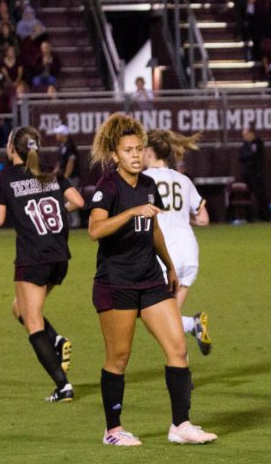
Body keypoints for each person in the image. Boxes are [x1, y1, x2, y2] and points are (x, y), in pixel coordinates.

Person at [87, 112, 217, 446]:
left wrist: (169, 265)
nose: (134, 154)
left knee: (177, 348)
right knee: (119, 357)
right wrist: (130, 212)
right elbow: (95, 229)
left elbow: (155, 227)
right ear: (115, 154)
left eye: (138, 149)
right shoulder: (109, 186)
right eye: (127, 149)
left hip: (151, 279)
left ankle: (180, 425)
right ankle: (113, 431)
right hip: (116, 283)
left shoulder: (148, 185)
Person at [0, 126, 85, 402]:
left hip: (33, 258)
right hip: (59, 256)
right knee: (18, 308)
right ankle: (56, 341)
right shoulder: (50, 171)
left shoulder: (6, 176)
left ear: (11, 148)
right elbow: (78, 201)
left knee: (32, 322)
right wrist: (56, 210)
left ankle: (63, 385)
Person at [143, 129, 212, 357]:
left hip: (164, 254)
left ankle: (192, 327)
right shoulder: (184, 180)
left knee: (155, 317)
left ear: (150, 152)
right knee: (170, 317)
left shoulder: (144, 180)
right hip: (188, 252)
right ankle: (192, 329)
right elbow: (203, 219)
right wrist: (182, 216)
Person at [238, 124, 270, 221]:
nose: (245, 137)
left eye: (246, 135)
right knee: (248, 197)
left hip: (257, 174)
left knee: (260, 196)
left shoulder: (258, 143)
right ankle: (250, 217)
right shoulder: (245, 145)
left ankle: (265, 216)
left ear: (251, 133)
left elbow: (254, 156)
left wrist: (248, 157)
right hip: (247, 175)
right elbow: (241, 157)